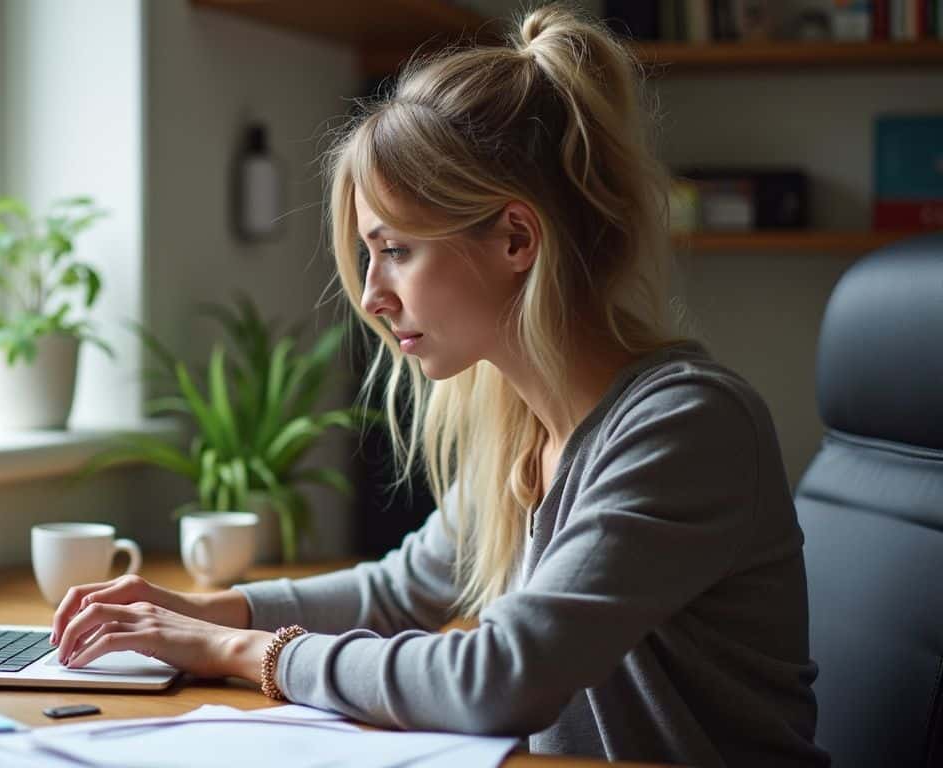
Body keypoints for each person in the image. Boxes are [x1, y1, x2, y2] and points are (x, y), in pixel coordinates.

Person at [50, 5, 829, 766]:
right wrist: (203, 610)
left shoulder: (685, 426)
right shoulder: (521, 422)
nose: (371, 294)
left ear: (517, 239)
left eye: (395, 250)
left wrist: (242, 649)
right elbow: (403, 589)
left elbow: (500, 680)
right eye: (368, 253)